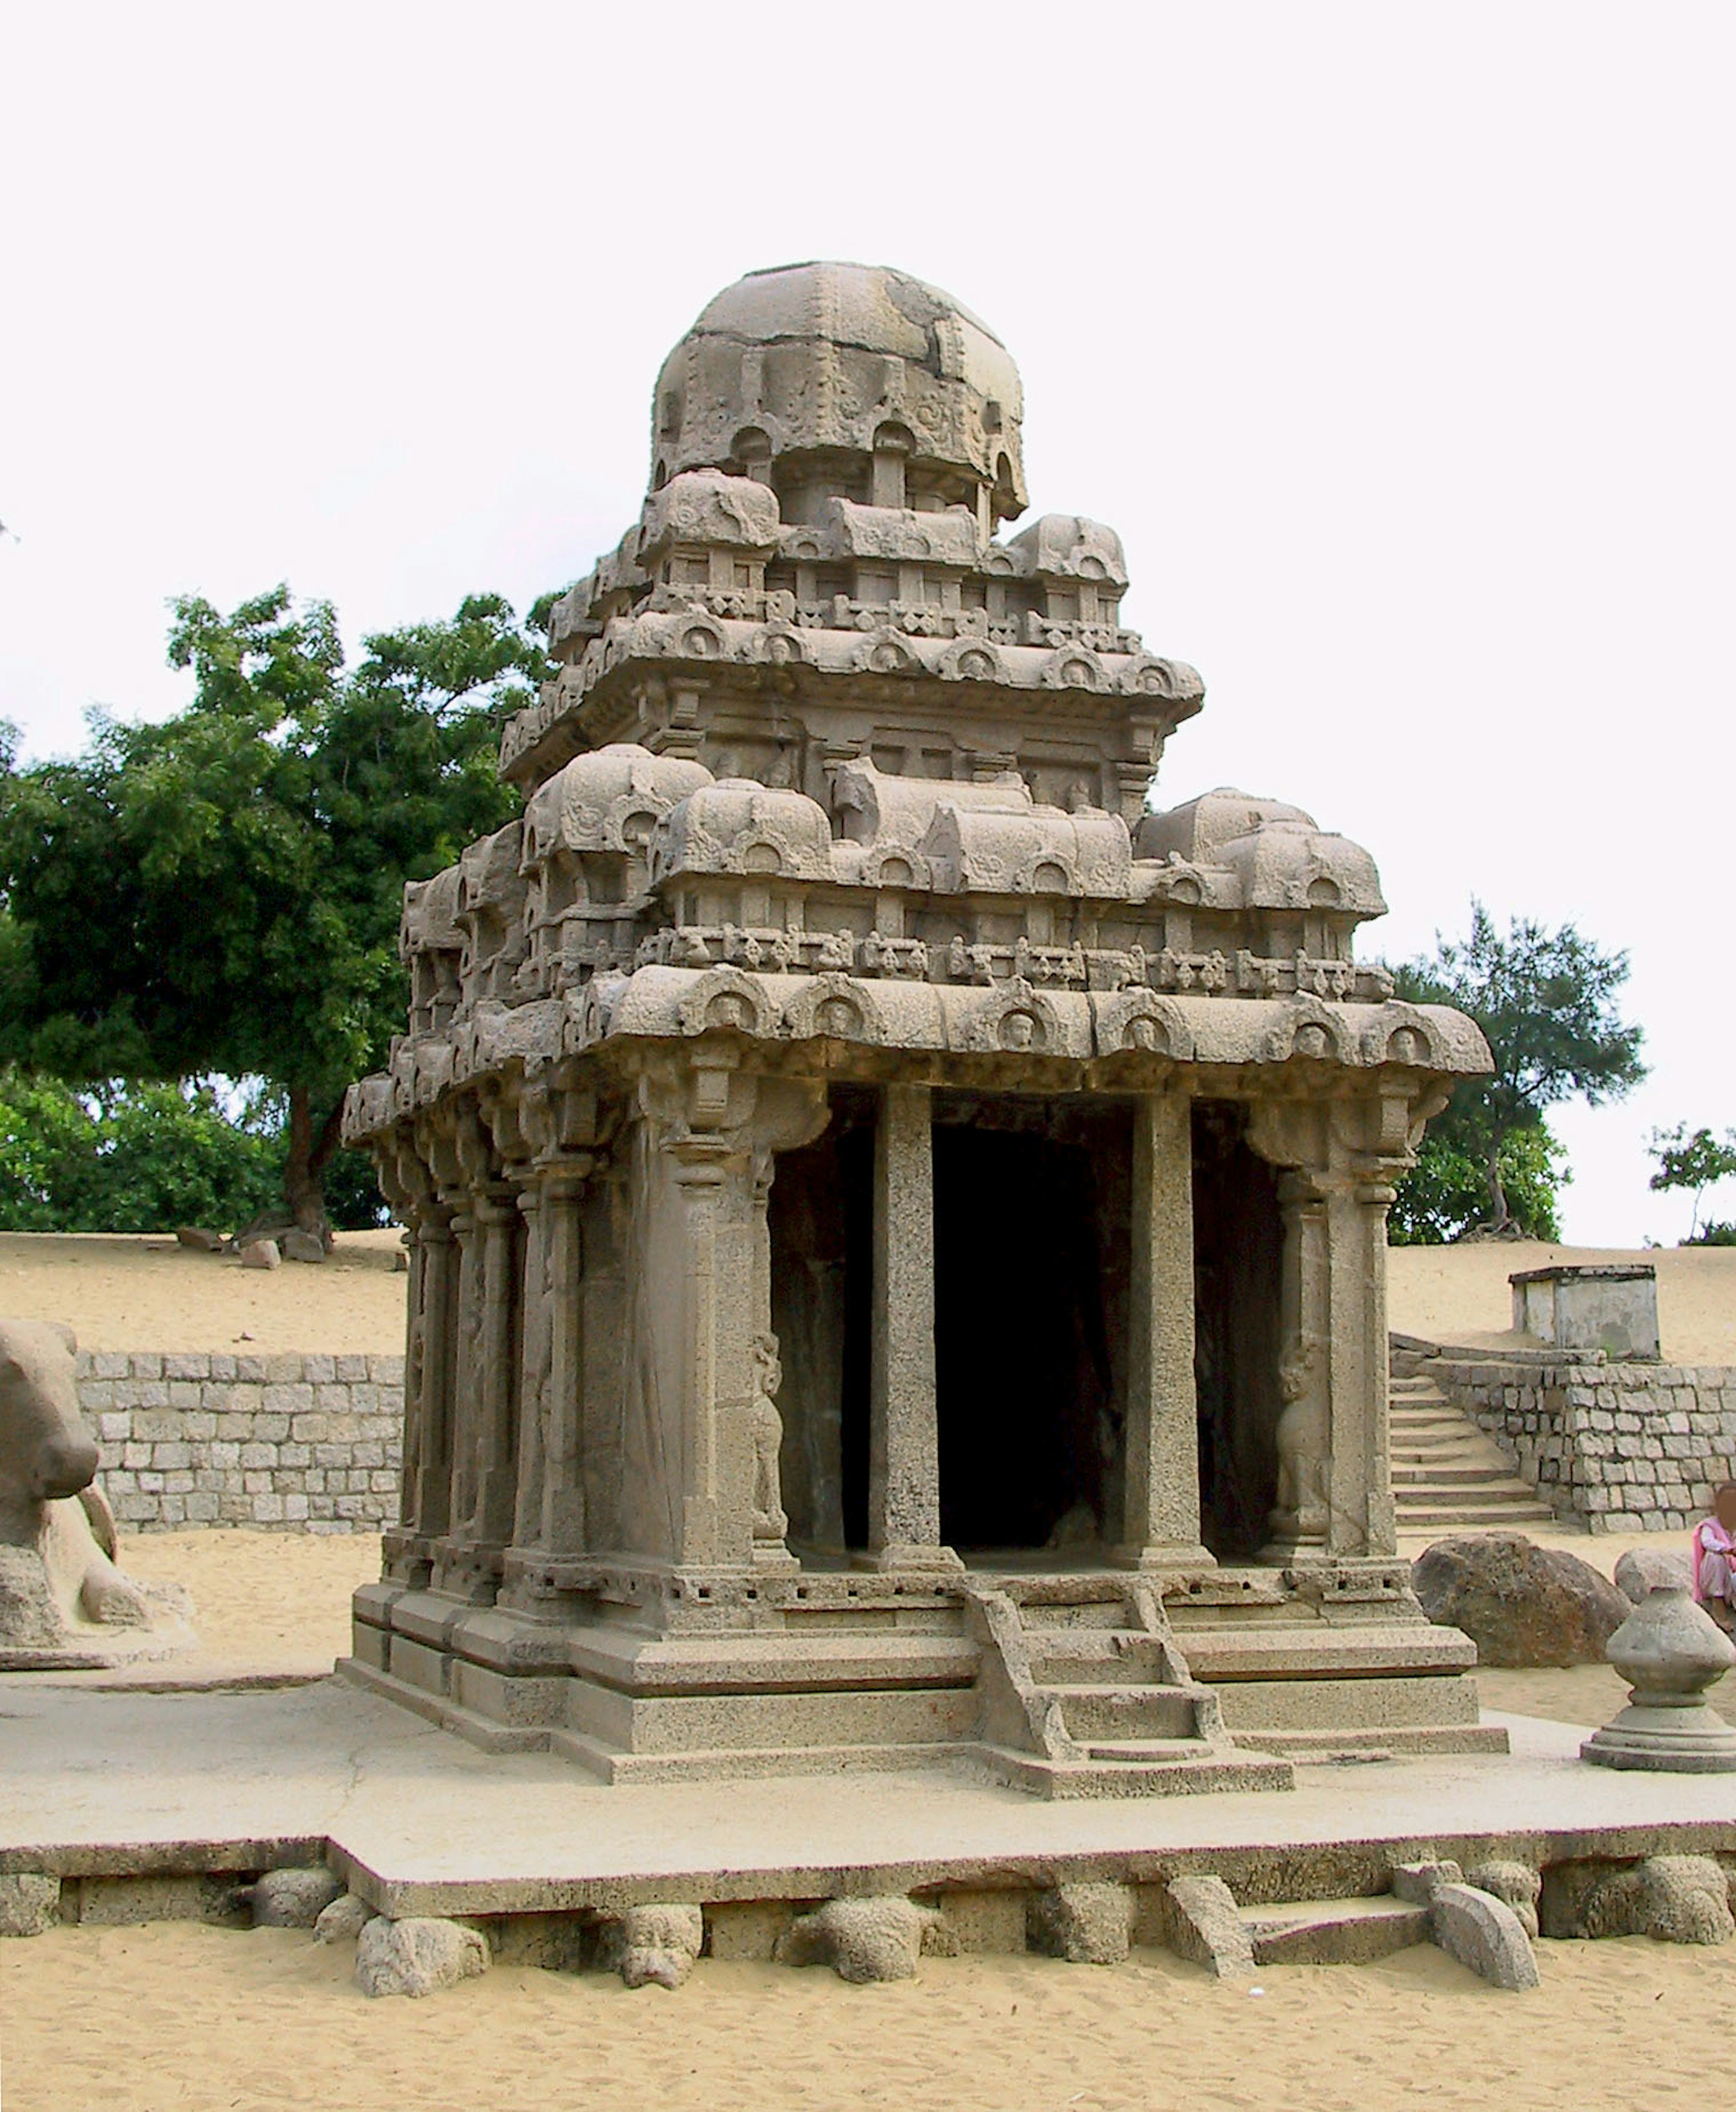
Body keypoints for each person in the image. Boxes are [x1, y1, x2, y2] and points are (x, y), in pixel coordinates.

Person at [1693, 1483, 1736, 1634]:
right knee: (1715, 1558)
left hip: (1733, 1581)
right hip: (1715, 1581)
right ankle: (1718, 1607)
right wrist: (1728, 1550)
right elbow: (1708, 1542)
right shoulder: (1710, 1526)